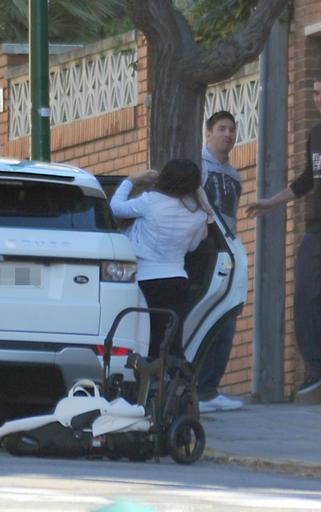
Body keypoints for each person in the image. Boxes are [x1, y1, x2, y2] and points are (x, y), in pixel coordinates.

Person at [246, 71, 321, 395]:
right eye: (316, 93)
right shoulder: (316, 133)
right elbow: (307, 180)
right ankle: (319, 369)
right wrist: (271, 203)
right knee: (304, 301)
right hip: (313, 231)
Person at [110, 159, 209, 360]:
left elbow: (115, 208)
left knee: (144, 337)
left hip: (146, 280)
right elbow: (192, 247)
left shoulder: (150, 201)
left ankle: (144, 384)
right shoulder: (198, 214)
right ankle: (171, 381)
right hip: (177, 281)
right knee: (170, 339)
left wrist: (131, 180)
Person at [197, 111, 244, 413]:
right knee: (204, 318)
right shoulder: (198, 166)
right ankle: (197, 389)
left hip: (226, 253)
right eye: (221, 129)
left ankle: (209, 390)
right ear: (208, 133)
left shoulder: (234, 175)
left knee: (226, 317)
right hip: (202, 252)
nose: (227, 134)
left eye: (231, 129)